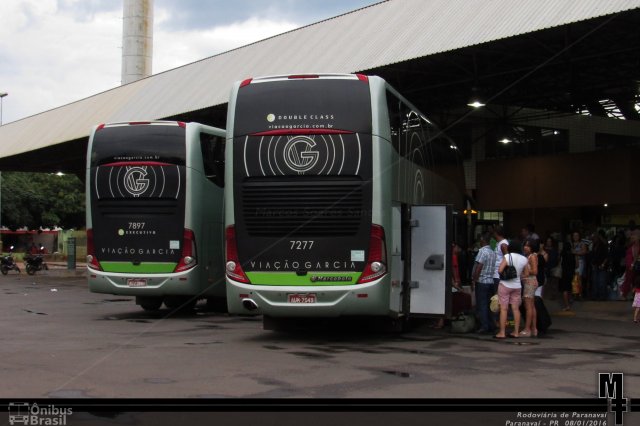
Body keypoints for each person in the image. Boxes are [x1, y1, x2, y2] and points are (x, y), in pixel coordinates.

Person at [494, 244, 529, 339]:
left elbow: (500, 270)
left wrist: (507, 273)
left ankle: (502, 332)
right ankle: (516, 332)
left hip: (505, 285)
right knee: (515, 309)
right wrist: (517, 275)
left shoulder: (507, 256)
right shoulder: (524, 259)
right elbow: (526, 274)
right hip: (517, 286)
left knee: (504, 309)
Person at [471, 233, 497, 334]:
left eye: (480, 240)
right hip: (490, 281)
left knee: (481, 304)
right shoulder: (492, 252)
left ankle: (484, 326)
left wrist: (474, 280)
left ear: (483, 240)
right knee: (489, 305)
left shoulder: (482, 251)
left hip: (482, 281)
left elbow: (479, 266)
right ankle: (491, 325)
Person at [520, 239, 539, 337]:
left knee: (528, 307)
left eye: (528, 246)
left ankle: (527, 329)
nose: (525, 247)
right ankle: (534, 328)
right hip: (530, 282)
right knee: (532, 306)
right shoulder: (531, 256)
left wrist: (524, 272)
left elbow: (535, 271)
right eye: (525, 245)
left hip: (529, 282)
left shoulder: (532, 256)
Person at [590, 230, 609, 301]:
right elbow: (593, 255)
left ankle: (602, 297)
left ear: (598, 238)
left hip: (602, 265)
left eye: (594, 238)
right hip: (595, 265)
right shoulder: (594, 245)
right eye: (593, 238)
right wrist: (592, 263)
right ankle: (595, 296)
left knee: (601, 282)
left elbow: (607, 256)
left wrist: (603, 264)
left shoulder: (603, 245)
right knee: (595, 282)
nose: (593, 239)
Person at [621, 230, 640, 300]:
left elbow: (636, 256)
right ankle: (635, 298)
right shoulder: (631, 246)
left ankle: (636, 298)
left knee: (636, 282)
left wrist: (632, 264)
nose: (632, 237)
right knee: (631, 281)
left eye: (634, 236)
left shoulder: (636, 246)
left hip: (635, 267)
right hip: (631, 267)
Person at [559, 238, 576, 311]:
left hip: (564, 273)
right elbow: (576, 265)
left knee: (564, 289)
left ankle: (567, 305)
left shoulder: (562, 255)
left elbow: (559, 263)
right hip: (571, 273)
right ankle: (570, 300)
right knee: (569, 288)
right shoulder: (572, 255)